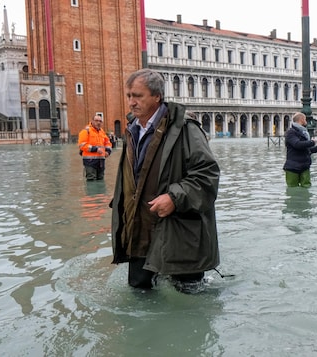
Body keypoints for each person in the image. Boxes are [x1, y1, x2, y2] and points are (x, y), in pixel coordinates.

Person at [110, 68, 220, 293]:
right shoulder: (132, 130)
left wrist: (174, 197)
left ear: (157, 96)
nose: (131, 102)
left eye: (138, 96)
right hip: (138, 230)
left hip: (178, 232)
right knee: (139, 294)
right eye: (129, 96)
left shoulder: (186, 129)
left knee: (188, 301)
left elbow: (207, 175)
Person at [283, 112, 317, 187]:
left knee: (307, 187)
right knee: (293, 189)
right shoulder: (291, 133)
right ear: (302, 120)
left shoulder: (304, 132)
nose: (306, 121)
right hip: (293, 167)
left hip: (304, 165)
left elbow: (306, 150)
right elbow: (297, 144)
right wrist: (311, 142)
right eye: (305, 119)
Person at [78, 114, 112, 180]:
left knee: (101, 179)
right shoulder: (86, 131)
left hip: (101, 161)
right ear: (92, 121)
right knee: (91, 180)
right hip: (90, 162)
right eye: (96, 121)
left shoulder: (102, 132)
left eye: (100, 121)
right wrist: (95, 149)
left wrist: (108, 151)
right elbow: (82, 145)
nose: (98, 123)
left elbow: (108, 143)